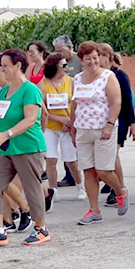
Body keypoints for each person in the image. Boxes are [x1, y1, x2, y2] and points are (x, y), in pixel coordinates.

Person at [0, 49, 52, 247]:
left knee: (32, 188)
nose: (2, 69)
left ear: (18, 66)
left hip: (28, 147)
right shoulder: (3, 92)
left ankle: (41, 228)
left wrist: (6, 134)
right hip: (6, 149)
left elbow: (30, 119)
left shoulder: (30, 89)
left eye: (6, 66)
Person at [73, 41, 129, 225]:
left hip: (103, 129)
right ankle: (94, 210)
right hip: (83, 129)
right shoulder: (78, 79)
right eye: (88, 59)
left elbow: (116, 102)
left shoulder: (108, 76)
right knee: (88, 170)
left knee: (104, 170)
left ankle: (120, 191)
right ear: (81, 60)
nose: (92, 62)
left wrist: (110, 125)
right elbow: (74, 104)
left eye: (95, 58)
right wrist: (74, 129)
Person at [39, 52, 83, 204]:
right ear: (54, 67)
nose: (67, 68)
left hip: (68, 126)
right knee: (51, 159)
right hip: (50, 127)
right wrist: (59, 119)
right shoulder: (43, 85)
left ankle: (80, 186)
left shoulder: (71, 82)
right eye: (63, 65)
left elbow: (76, 104)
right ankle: (53, 190)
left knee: (71, 160)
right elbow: (41, 109)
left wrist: (69, 122)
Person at [98, 43, 135, 207]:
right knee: (106, 156)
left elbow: (127, 100)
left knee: (113, 155)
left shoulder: (119, 75)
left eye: (98, 56)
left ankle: (120, 188)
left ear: (107, 56)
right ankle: (111, 183)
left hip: (119, 120)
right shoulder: (98, 76)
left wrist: (133, 123)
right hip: (101, 120)